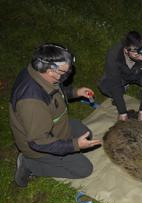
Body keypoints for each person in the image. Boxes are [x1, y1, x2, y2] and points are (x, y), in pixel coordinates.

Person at [9, 43, 102, 187]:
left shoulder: (39, 72)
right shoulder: (32, 102)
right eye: (64, 72)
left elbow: (55, 92)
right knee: (84, 169)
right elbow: (39, 141)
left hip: (54, 125)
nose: (67, 74)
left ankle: (67, 142)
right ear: (50, 70)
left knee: (86, 134)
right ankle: (29, 164)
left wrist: (76, 92)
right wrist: (74, 145)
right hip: (39, 146)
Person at [99, 31, 142, 122]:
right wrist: (122, 112)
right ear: (126, 50)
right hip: (122, 76)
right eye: (136, 54)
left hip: (140, 75)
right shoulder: (113, 55)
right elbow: (114, 83)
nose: (141, 57)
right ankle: (122, 89)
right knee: (105, 85)